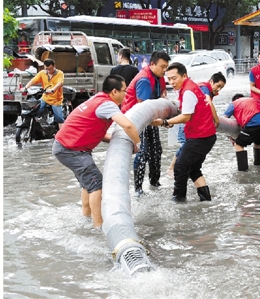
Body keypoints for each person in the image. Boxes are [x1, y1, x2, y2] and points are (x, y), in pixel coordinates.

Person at [52, 75, 141, 227]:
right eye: (124, 91)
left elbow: (93, 131)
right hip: (71, 149)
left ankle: (86, 218)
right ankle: (99, 225)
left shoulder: (98, 99)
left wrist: (114, 140)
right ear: (114, 91)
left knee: (89, 184)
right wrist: (138, 144)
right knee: (97, 185)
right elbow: (128, 126)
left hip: (66, 147)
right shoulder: (107, 104)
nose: (125, 94)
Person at [152, 62, 217, 202]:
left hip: (200, 137)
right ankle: (206, 201)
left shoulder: (188, 91)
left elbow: (186, 116)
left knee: (180, 167)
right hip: (206, 136)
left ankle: (179, 202)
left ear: (184, 76)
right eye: (169, 79)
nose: (171, 82)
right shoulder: (188, 87)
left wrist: (165, 122)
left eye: (174, 78)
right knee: (193, 170)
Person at [121, 50, 170, 196]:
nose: (164, 70)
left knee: (157, 151)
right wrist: (163, 123)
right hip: (137, 120)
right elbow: (143, 109)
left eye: (166, 67)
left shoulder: (158, 76)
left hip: (150, 118)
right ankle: (138, 189)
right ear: (152, 64)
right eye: (162, 66)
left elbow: (162, 96)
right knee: (143, 153)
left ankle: (155, 183)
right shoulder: (144, 79)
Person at [167, 72, 226, 177]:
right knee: (186, 146)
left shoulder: (206, 89)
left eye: (221, 87)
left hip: (191, 123)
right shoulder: (204, 88)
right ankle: (172, 168)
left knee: (187, 148)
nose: (219, 89)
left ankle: (180, 170)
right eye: (218, 86)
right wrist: (216, 120)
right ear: (211, 82)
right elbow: (208, 102)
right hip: (186, 124)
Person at [224, 94, 260, 171]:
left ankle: (243, 171)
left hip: (254, 122)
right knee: (258, 143)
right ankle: (258, 166)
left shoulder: (233, 104)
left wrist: (230, 136)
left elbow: (224, 121)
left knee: (238, 144)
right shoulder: (253, 100)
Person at [23, 58, 66, 129]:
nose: (49, 71)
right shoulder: (42, 73)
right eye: (47, 69)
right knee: (35, 110)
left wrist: (53, 89)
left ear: (54, 66)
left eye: (50, 69)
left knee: (59, 118)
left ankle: (61, 135)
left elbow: (60, 83)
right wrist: (26, 88)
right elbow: (33, 80)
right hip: (45, 97)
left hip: (56, 100)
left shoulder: (60, 73)